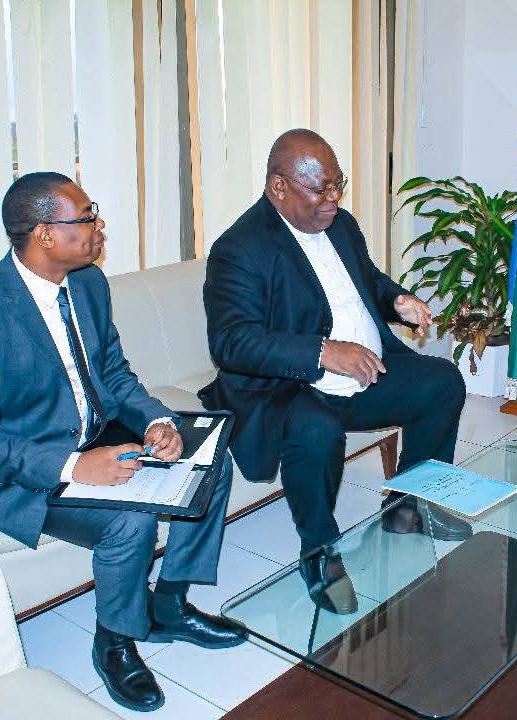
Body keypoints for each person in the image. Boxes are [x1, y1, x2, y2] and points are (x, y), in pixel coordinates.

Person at [0, 172, 243, 713]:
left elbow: (114, 374)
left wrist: (156, 421)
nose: (100, 226)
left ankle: (170, 605)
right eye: (87, 217)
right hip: (17, 470)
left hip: (92, 435)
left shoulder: (89, 284)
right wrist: (75, 466)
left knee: (209, 462)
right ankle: (114, 643)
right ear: (44, 234)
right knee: (129, 521)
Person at [200, 129, 467, 614]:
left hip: (364, 373)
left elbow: (366, 280)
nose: (333, 199)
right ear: (279, 187)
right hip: (291, 387)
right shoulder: (240, 248)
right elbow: (231, 342)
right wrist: (322, 352)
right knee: (317, 430)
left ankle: (408, 507)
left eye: (337, 184)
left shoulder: (339, 224)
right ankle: (320, 553)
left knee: (443, 383)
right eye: (320, 189)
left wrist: (396, 300)